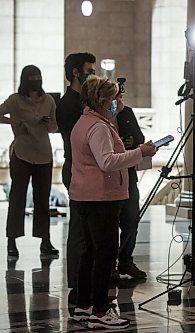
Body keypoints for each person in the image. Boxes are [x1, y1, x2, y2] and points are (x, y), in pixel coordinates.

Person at [69, 75, 156, 329]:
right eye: (114, 98)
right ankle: (100, 310)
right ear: (103, 100)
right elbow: (106, 161)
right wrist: (140, 152)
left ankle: (83, 306)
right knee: (105, 254)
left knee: (89, 253)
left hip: (84, 195)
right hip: (101, 197)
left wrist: (138, 154)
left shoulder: (83, 121)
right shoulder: (98, 126)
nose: (117, 102)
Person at [0, 65, 59, 257]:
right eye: (32, 77)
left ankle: (45, 240)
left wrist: (47, 123)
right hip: (22, 153)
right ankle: (12, 240)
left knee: (42, 199)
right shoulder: (15, 100)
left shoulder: (48, 100)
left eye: (38, 76)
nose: (36, 80)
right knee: (18, 198)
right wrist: (14, 122)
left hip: (43, 154)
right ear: (25, 79)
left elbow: (54, 127)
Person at [56, 52, 96, 304]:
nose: (92, 73)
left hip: (88, 168)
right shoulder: (68, 103)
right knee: (80, 231)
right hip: (77, 168)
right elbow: (79, 138)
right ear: (75, 73)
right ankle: (77, 286)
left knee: (93, 232)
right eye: (89, 70)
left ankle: (91, 282)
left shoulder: (84, 101)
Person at [113, 91, 147, 279]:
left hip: (129, 174)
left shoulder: (127, 113)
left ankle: (126, 260)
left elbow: (139, 137)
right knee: (110, 224)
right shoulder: (100, 118)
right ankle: (109, 265)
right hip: (109, 177)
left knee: (131, 219)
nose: (118, 102)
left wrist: (133, 142)